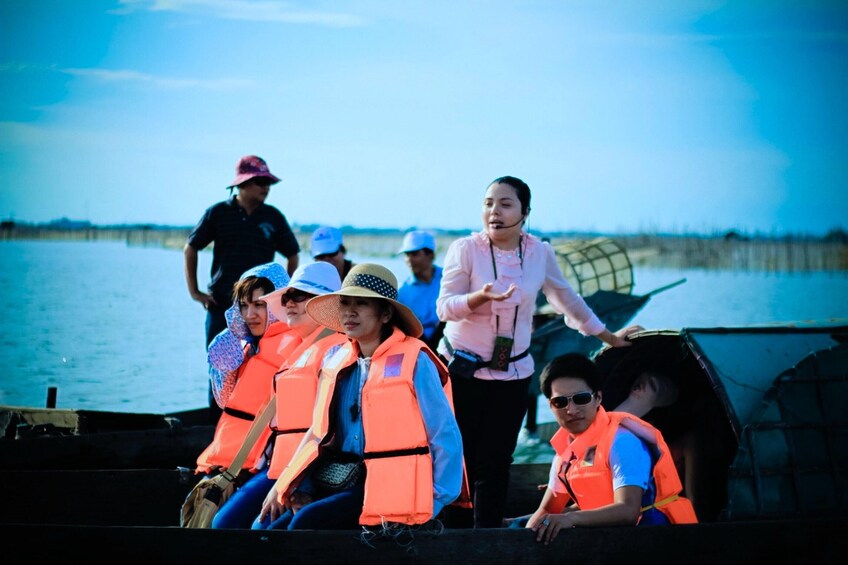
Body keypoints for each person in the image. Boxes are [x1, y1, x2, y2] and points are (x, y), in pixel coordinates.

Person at [435, 175, 637, 528]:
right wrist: (478, 297)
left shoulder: (539, 252)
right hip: (462, 370)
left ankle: (488, 538)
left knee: (496, 459)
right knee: (459, 457)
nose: (494, 211)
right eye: (488, 204)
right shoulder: (465, 249)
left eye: (505, 204)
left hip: (513, 372)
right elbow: (444, 309)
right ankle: (453, 534)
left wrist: (607, 336)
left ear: (525, 212)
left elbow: (566, 299)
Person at [255, 263, 465, 531]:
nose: (350, 312)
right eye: (345, 303)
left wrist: (434, 501)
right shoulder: (335, 360)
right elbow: (317, 434)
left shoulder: (415, 360)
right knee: (266, 529)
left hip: (394, 486)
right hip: (340, 477)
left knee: (304, 525)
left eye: (362, 303)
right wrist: (289, 486)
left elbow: (444, 434)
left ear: (386, 313)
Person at [205, 262, 346, 529]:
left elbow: (325, 428)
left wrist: (292, 484)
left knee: (238, 528)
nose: (290, 303)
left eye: (299, 296)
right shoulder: (298, 350)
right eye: (287, 297)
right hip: (276, 464)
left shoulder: (332, 350)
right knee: (224, 525)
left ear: (325, 304)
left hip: (305, 469)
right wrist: (222, 369)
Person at [525, 353, 697, 544]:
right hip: (604, 541)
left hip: (654, 540)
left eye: (580, 398)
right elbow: (546, 511)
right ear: (551, 405)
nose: (571, 410)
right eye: (560, 402)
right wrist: (521, 543)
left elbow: (628, 511)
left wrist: (570, 518)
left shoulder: (622, 442)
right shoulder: (564, 456)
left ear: (598, 398)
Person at [184, 155, 300, 418]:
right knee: (221, 365)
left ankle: (257, 421)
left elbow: (293, 254)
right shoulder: (218, 213)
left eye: (268, 182)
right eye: (260, 181)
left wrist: (286, 296)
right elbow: (190, 248)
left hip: (264, 310)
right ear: (242, 184)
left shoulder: (273, 217)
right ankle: (217, 425)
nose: (265, 187)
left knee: (262, 364)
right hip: (222, 306)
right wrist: (195, 292)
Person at [195, 262, 294, 528]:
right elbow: (227, 402)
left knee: (221, 526)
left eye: (259, 305)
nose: (250, 314)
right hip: (231, 463)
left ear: (278, 303)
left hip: (267, 465)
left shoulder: (294, 348)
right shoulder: (246, 346)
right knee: (198, 514)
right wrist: (223, 371)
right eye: (244, 306)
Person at [397, 230, 444, 352]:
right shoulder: (402, 292)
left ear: (431, 255)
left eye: (415, 254)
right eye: (407, 255)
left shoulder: (450, 278)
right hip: (420, 350)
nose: (409, 259)